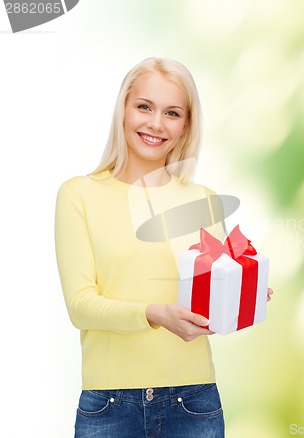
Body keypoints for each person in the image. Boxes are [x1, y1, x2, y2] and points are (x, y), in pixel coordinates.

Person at [55, 57, 273, 438]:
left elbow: (208, 307)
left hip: (193, 403)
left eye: (172, 113)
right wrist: (155, 314)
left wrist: (241, 298)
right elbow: (80, 306)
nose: (156, 124)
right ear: (123, 109)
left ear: (186, 125)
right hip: (109, 406)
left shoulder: (204, 201)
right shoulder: (79, 195)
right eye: (144, 107)